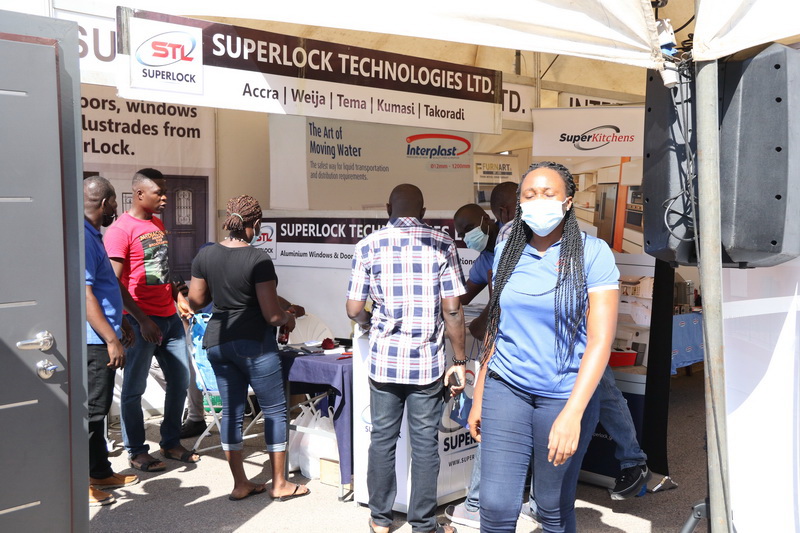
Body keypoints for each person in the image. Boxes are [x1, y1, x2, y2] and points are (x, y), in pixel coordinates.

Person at [468, 161, 620, 533]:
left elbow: (600, 339)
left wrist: (573, 413)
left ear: (567, 202)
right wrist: (479, 394)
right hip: (506, 388)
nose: (539, 201)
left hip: (564, 395)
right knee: (495, 505)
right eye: (530, 195)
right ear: (519, 203)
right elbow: (496, 326)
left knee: (551, 506)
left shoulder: (594, 254)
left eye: (548, 194)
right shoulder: (506, 251)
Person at [346, 184, 467, 533]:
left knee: (382, 440)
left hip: (384, 362)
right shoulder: (442, 243)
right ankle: (424, 525)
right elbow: (453, 310)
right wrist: (459, 361)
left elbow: (353, 309)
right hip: (426, 365)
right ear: (423, 212)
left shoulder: (367, 245)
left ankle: (380, 520)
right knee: (425, 445)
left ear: (388, 208)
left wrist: (370, 322)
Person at [187, 195, 310, 502]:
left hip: (218, 342)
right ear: (256, 223)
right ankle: (279, 483)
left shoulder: (206, 255)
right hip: (254, 344)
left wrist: (222, 290)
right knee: (275, 410)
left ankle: (240, 483)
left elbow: (196, 301)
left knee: (231, 411)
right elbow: (272, 316)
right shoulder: (258, 259)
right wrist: (289, 318)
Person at [104, 168, 199, 472]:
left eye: (165, 192)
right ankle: (136, 450)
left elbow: (160, 269)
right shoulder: (120, 230)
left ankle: (170, 441)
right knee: (134, 389)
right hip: (139, 322)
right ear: (139, 193)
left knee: (181, 380)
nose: (165, 198)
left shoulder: (156, 224)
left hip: (168, 318)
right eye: (159, 192)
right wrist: (141, 320)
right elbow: (113, 282)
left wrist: (177, 295)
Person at [84, 176, 140, 506]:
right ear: (105, 203)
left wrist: (121, 322)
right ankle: (83, 483)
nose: (116, 209)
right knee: (92, 412)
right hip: (94, 341)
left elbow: (106, 287)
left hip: (104, 332)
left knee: (99, 409)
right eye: (115, 203)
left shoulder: (94, 234)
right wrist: (110, 339)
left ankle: (100, 471)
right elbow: (86, 294)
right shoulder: (83, 237)